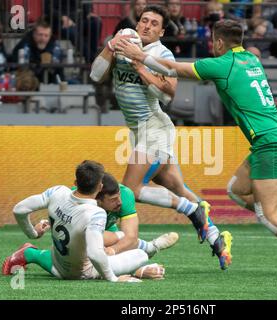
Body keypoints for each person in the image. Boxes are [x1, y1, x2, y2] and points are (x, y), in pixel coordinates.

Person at [116, 19, 277, 277]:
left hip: (270, 143)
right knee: (237, 190)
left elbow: (173, 69)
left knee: (267, 214)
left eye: (213, 42)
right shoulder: (251, 59)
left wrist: (138, 56)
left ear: (219, 42)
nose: (211, 46)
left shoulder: (222, 64)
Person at [90, 5, 232, 270]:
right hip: (139, 131)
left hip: (154, 127)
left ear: (161, 31)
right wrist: (110, 46)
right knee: (179, 189)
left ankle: (192, 211)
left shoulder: (161, 53)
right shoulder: (123, 39)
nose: (147, 26)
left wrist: (140, 62)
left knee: (129, 191)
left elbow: (168, 96)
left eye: (154, 23)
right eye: (144, 20)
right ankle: (217, 238)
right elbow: (96, 75)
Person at [2, 160, 164, 281]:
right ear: (100, 187)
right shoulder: (96, 213)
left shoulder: (57, 191)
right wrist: (113, 279)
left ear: (75, 183)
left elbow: (19, 209)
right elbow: (95, 253)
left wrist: (32, 233)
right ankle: (142, 263)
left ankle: (29, 252)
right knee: (141, 255)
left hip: (56, 265)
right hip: (82, 273)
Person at [94, 172, 180, 257]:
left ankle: (150, 248)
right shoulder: (83, 203)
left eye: (119, 196)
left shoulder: (125, 194)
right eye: (113, 199)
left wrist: (112, 250)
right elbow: (86, 236)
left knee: (124, 240)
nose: (119, 202)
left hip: (108, 230)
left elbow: (130, 237)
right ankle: (149, 248)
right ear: (97, 200)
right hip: (88, 235)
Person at [11, 19, 64, 84]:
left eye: (46, 35)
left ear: (50, 36)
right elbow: (20, 65)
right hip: (28, 80)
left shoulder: (54, 45)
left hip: (49, 81)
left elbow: (58, 67)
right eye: (40, 35)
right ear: (34, 34)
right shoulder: (24, 44)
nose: (43, 38)